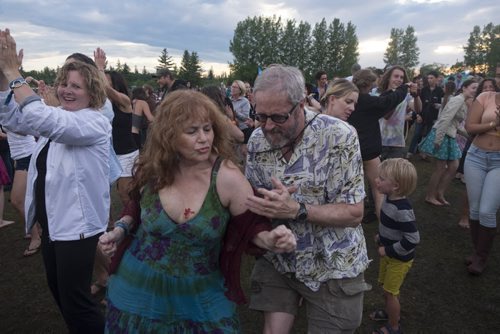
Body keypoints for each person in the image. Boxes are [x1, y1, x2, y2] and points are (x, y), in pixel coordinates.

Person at [98, 90, 296, 332]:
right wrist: (120, 230)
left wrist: (270, 239)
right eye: (192, 131)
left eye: (207, 128)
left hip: (199, 297)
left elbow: (251, 225)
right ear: (169, 136)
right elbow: (137, 207)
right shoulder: (154, 169)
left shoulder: (227, 178)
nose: (204, 138)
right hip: (137, 288)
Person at [245, 64, 371, 333]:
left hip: (333, 266)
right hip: (279, 260)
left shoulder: (340, 136)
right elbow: (253, 204)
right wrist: (266, 227)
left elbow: (354, 212)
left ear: (301, 104)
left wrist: (296, 209)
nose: (267, 126)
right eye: (261, 115)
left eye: (278, 117)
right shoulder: (257, 141)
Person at [0, 28, 111, 333]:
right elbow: (13, 120)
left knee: (76, 302)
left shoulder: (94, 122)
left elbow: (41, 119)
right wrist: (2, 74)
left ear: (92, 92)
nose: (66, 90)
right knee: (60, 294)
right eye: (64, 83)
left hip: (77, 228)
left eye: (76, 86)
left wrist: (13, 72)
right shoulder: (61, 115)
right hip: (53, 224)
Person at [348, 69, 411, 224]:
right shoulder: (368, 101)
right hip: (369, 151)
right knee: (378, 190)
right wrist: (404, 88)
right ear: (369, 84)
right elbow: (389, 101)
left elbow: (382, 100)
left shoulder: (349, 99)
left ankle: (349, 219)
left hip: (349, 150)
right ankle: (384, 230)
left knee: (349, 187)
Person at [371, 158, 419, 334]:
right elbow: (391, 226)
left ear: (396, 186)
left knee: (391, 292)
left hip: (399, 259)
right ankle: (390, 312)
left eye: (382, 179)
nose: (377, 180)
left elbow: (413, 239)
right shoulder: (388, 199)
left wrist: (388, 249)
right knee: (387, 288)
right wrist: (382, 237)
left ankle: (394, 327)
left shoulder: (402, 210)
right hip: (389, 255)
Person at [418, 79, 478, 206]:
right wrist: (438, 139)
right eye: (473, 87)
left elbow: (455, 124)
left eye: (476, 88)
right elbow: (445, 119)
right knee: (440, 168)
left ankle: (439, 193)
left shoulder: (463, 101)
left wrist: (468, 136)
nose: (475, 90)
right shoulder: (458, 100)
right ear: (464, 88)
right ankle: (430, 196)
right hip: (443, 134)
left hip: (450, 135)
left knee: (453, 166)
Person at [463, 85, 500, 275]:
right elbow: (470, 127)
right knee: (475, 208)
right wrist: (494, 124)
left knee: (487, 210)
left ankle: (481, 257)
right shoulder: (486, 97)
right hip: (476, 157)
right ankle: (477, 253)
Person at [379, 66, 421, 160]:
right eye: (396, 76)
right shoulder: (379, 94)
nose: (399, 79)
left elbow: (418, 109)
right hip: (379, 141)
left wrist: (416, 96)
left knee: (393, 174)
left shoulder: (405, 96)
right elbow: (386, 116)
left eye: (401, 77)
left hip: (397, 143)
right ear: (389, 77)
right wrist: (396, 96)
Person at [408, 71, 444, 159]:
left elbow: (443, 104)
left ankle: (423, 153)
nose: (429, 80)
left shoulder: (440, 91)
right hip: (422, 116)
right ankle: (410, 152)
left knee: (427, 136)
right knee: (417, 134)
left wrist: (440, 106)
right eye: (428, 78)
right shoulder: (424, 90)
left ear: (436, 79)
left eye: (431, 78)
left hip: (432, 118)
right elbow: (418, 104)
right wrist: (418, 115)